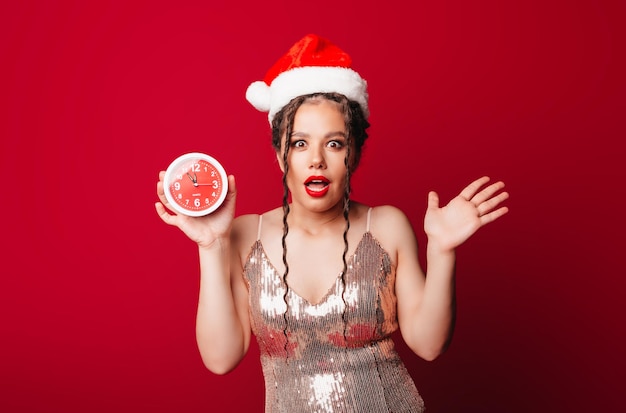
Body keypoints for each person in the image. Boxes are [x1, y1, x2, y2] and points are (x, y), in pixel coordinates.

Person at [155, 34, 509, 413]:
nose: (317, 160)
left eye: (335, 143)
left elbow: (429, 344)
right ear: (280, 156)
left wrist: (442, 251)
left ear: (353, 154)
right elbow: (220, 359)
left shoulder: (387, 226)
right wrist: (211, 246)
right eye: (300, 143)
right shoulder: (243, 235)